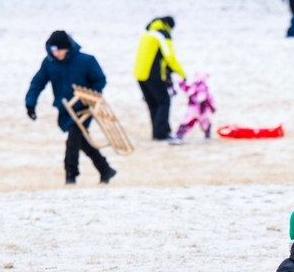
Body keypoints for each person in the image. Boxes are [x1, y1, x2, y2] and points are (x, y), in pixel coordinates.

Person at [26, 30, 117, 185]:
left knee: (73, 139)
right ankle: (105, 169)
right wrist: (30, 103)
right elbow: (38, 82)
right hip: (65, 109)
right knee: (82, 141)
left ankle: (70, 176)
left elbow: (100, 80)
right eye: (53, 50)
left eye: (60, 50)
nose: (57, 54)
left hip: (85, 109)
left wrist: (93, 96)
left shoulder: (86, 61)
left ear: (67, 48)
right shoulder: (49, 63)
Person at [133, 16, 186, 141]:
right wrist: (183, 74)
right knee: (164, 102)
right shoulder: (162, 35)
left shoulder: (147, 34)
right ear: (169, 26)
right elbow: (169, 57)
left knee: (153, 104)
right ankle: (162, 134)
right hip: (153, 75)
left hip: (139, 74)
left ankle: (157, 134)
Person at [169, 73, 216, 144]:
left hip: (195, 110)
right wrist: (212, 108)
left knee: (189, 123)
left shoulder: (195, 87)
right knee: (201, 124)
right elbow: (209, 100)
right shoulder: (202, 88)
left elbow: (184, 88)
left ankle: (178, 137)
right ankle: (207, 137)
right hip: (197, 110)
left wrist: (181, 82)